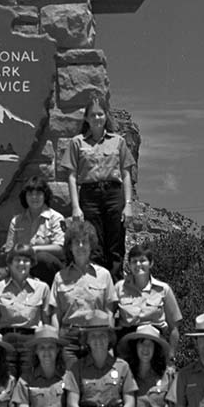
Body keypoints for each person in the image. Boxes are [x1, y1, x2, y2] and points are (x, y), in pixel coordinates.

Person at [60, 96, 136, 277]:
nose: (97, 118)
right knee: (94, 244)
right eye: (93, 115)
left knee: (116, 245)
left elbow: (126, 174)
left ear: (106, 116)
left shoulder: (118, 141)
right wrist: (76, 207)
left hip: (113, 194)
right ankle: (97, 285)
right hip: (89, 195)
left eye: (100, 114)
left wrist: (128, 204)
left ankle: (116, 288)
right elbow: (71, 176)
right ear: (86, 118)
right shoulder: (77, 143)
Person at [48, 219, 116, 369]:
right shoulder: (60, 277)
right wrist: (57, 341)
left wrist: (109, 342)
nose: (80, 246)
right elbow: (55, 313)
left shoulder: (104, 275)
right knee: (70, 381)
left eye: (84, 242)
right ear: (70, 247)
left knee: (94, 383)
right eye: (76, 242)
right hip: (69, 338)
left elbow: (109, 310)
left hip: (96, 336)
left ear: (91, 245)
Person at [0, 242, 50, 377]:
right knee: (7, 380)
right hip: (6, 341)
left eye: (26, 260)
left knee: (27, 381)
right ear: (9, 263)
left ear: (32, 263)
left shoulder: (42, 288)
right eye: (17, 260)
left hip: (30, 342)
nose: (22, 263)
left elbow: (46, 322)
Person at [114, 246, 181, 352]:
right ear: (129, 265)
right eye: (134, 261)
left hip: (155, 345)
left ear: (151, 263)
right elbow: (111, 318)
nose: (138, 265)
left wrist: (171, 358)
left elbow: (174, 328)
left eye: (142, 260)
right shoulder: (119, 288)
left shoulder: (164, 289)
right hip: (127, 346)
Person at [2, 176, 66, 284]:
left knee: (41, 258)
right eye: (30, 194)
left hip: (50, 271)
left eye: (38, 194)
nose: (34, 197)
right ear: (25, 197)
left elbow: (60, 248)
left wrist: (35, 249)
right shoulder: (16, 221)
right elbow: (9, 251)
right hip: (24, 267)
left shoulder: (56, 218)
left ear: (45, 196)